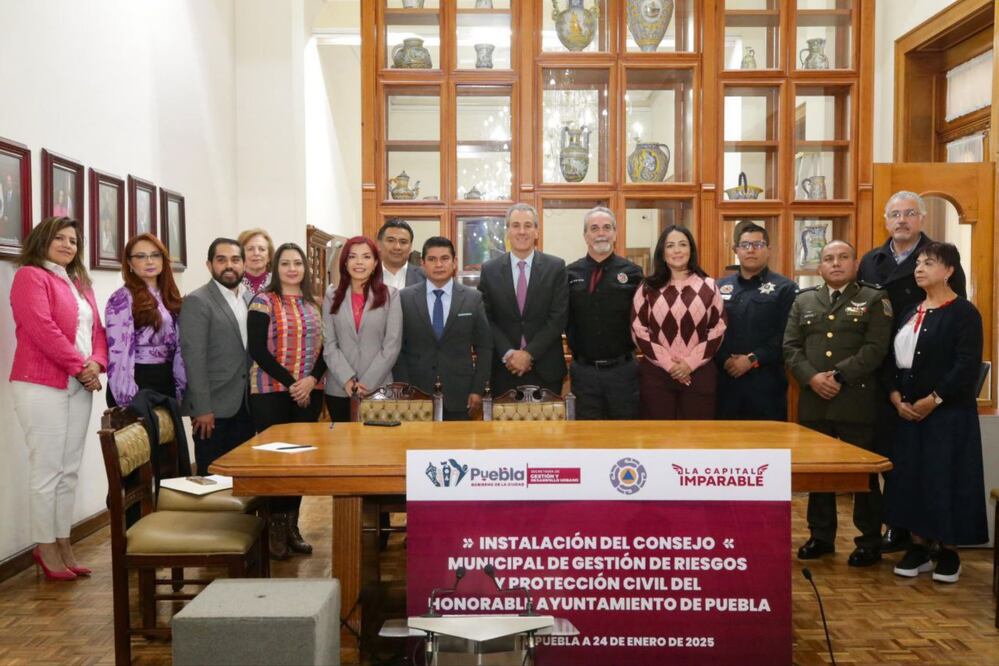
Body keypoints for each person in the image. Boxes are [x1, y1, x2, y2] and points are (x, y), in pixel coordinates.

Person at [858, 190, 969, 554]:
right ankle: (899, 527)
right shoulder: (871, 260)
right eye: (894, 214)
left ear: (922, 218)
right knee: (892, 456)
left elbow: (959, 326)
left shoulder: (942, 258)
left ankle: (936, 541)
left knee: (935, 469)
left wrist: (935, 396)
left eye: (909, 213)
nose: (901, 220)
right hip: (887, 369)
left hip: (934, 376)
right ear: (885, 220)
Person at [9, 216, 108, 580]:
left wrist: (96, 363)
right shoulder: (30, 277)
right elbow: (42, 329)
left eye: (73, 240)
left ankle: (64, 541)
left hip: (80, 383)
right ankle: (44, 546)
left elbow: (96, 330)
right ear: (42, 241)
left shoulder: (80, 282)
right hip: (41, 383)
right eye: (60, 238)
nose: (68, 245)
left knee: (68, 470)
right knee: (47, 470)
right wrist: (79, 367)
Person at [784, 240, 892, 567]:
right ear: (819, 266)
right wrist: (812, 379)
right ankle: (821, 536)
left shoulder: (874, 298)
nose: (836, 263)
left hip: (855, 400)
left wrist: (839, 376)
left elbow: (876, 348)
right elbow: (790, 347)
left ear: (855, 263)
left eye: (843, 257)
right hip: (815, 400)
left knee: (863, 475)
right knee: (819, 473)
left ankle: (869, 539)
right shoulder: (804, 300)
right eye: (829, 258)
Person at [886, 242, 987, 583]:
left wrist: (935, 398)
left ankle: (947, 551)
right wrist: (896, 397)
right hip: (908, 412)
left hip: (948, 414)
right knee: (910, 478)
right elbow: (895, 361)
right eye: (918, 262)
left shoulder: (964, 313)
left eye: (929, 262)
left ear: (949, 271)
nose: (919, 268)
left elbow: (966, 365)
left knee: (945, 478)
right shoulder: (911, 311)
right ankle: (918, 544)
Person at [247, 243, 327, 560]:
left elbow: (326, 350)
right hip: (270, 392)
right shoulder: (262, 302)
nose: (292, 269)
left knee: (299, 464)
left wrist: (310, 381)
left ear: (305, 269)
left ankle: (292, 527)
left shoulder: (315, 304)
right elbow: (257, 350)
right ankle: (273, 531)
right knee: (274, 463)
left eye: (297, 263)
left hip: (309, 392)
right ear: (275, 268)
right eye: (285, 263)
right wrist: (294, 383)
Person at [631, 225, 726, 419]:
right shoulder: (647, 287)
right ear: (662, 252)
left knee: (696, 441)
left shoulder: (709, 286)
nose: (677, 250)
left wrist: (689, 364)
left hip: (698, 375)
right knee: (658, 440)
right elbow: (638, 329)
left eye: (682, 244)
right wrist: (670, 365)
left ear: (690, 250)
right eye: (670, 245)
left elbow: (718, 328)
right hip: (657, 375)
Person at [394, 236, 492, 421]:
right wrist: (404, 388)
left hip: (460, 393)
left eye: (444, 258)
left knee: (458, 449)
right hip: (416, 393)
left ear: (454, 262)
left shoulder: (473, 299)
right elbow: (397, 348)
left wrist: (478, 389)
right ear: (423, 264)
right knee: (417, 448)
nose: (438, 264)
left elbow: (485, 348)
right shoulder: (404, 298)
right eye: (432, 259)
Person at [179, 238, 255, 474]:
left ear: (243, 264)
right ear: (209, 265)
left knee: (242, 476)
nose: (229, 265)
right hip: (213, 409)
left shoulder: (250, 298)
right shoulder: (197, 301)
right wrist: (202, 408)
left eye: (235, 259)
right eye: (221, 260)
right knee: (213, 478)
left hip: (247, 404)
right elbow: (194, 358)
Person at [478, 203, 569, 395]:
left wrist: (529, 354)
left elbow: (558, 318)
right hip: (504, 370)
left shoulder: (556, 267)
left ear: (536, 231)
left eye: (528, 225)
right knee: (504, 426)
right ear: (508, 231)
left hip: (546, 370)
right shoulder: (489, 270)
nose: (522, 231)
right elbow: (486, 319)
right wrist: (510, 354)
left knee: (548, 426)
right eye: (515, 225)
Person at [565, 207, 643, 419]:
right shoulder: (569, 274)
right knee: (588, 442)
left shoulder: (633, 273)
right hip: (584, 373)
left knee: (625, 439)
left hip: (623, 371)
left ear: (615, 234)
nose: (601, 233)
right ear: (585, 235)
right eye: (594, 228)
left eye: (607, 228)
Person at [715, 222, 796, 420]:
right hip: (726, 380)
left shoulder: (785, 288)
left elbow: (786, 335)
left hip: (766, 383)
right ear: (736, 250)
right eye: (745, 245)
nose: (751, 250)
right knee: (724, 445)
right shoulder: (718, 287)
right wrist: (725, 359)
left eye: (758, 245)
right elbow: (711, 329)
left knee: (768, 446)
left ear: (769, 249)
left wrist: (751, 359)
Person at [322, 236, 402, 421]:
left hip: (379, 387)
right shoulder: (331, 295)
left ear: (375, 263)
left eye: (366, 257)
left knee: (378, 448)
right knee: (342, 448)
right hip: (340, 388)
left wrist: (366, 382)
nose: (359, 262)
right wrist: (347, 379)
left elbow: (392, 345)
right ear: (345, 263)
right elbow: (330, 344)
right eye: (352, 257)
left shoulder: (391, 295)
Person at [105, 233, 186, 407]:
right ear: (129, 263)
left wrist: (180, 385)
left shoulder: (169, 296)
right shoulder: (121, 298)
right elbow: (118, 352)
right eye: (141, 256)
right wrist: (127, 398)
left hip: (166, 377)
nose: (149, 261)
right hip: (138, 379)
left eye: (155, 255)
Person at [377, 218, 425, 290]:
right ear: (379, 244)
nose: (397, 247)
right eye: (390, 240)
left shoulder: (424, 277)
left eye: (403, 242)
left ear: (411, 246)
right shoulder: (367, 275)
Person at [239, 228, 275, 298]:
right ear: (240, 254)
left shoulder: (278, 282)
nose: (256, 253)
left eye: (262, 249)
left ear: (269, 256)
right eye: (250, 249)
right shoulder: (233, 283)